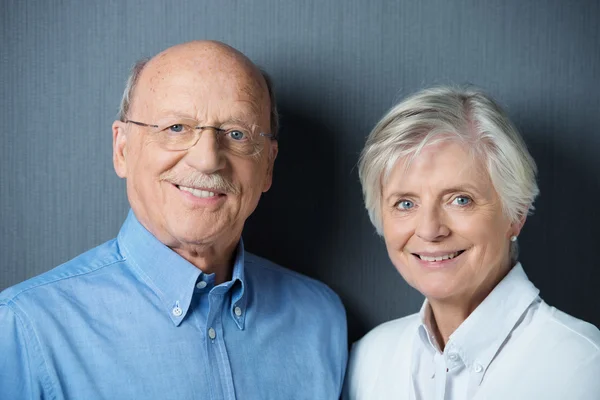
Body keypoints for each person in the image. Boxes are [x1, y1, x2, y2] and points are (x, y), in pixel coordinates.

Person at [0, 41, 347, 400]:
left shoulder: (320, 320)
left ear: (268, 166)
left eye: (237, 134)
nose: (207, 159)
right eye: (177, 127)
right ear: (122, 149)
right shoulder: (26, 329)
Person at [344, 86, 600, 399]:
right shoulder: (367, 360)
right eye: (406, 204)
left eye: (460, 199)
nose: (429, 230)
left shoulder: (583, 365)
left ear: (515, 213)